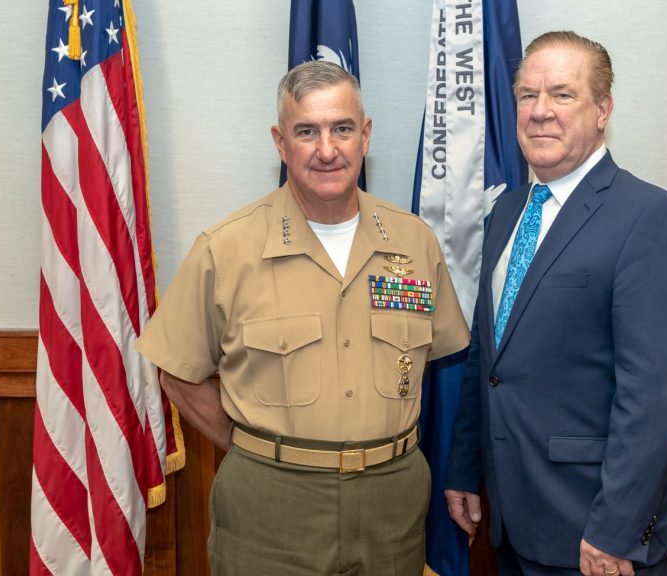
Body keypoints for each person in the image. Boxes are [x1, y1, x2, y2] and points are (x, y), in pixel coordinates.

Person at [136, 60, 469, 575]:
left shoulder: (414, 243)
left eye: (342, 128)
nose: (327, 149)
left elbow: (444, 358)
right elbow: (177, 374)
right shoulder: (227, 249)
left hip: (393, 504)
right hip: (272, 506)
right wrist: (257, 450)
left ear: (366, 135)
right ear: (280, 142)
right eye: (307, 131)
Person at [444, 31, 667, 576]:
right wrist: (465, 467)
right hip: (513, 520)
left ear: (603, 108)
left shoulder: (650, 218)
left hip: (598, 538)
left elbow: (655, 397)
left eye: (562, 95)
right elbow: (486, 361)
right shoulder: (507, 215)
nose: (540, 113)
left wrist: (616, 530)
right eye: (526, 96)